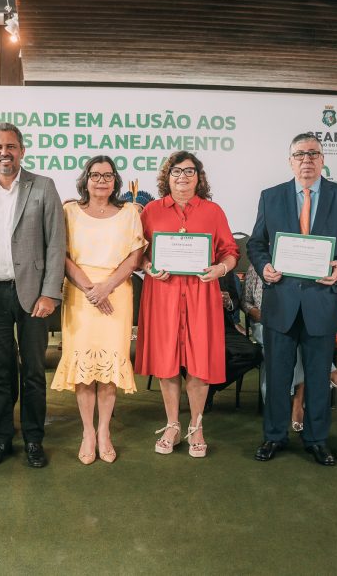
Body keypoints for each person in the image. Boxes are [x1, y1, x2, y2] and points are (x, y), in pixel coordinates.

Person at [248, 132, 337, 466]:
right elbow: (256, 243)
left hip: (322, 302)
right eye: (299, 155)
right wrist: (264, 266)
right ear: (290, 161)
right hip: (281, 302)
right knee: (278, 376)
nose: (306, 161)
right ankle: (274, 436)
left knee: (317, 377)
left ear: (323, 159)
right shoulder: (271, 197)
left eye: (313, 154)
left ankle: (316, 439)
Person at [0, 122, 65, 469]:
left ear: (22, 150)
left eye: (11, 146)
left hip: (35, 295)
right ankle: (1, 438)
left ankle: (34, 439)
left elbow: (56, 244)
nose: (4, 153)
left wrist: (51, 292)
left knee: (34, 371)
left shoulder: (44, 186)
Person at [136, 151, 238, 458]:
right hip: (163, 295)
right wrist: (148, 266)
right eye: (176, 171)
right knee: (167, 363)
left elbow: (230, 252)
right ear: (167, 177)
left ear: (199, 176)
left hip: (200, 295)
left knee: (199, 363)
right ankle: (172, 425)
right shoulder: (151, 210)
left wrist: (220, 270)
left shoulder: (212, 211)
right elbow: (138, 253)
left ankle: (196, 426)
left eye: (189, 171)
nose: (183, 177)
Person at [50, 156, 145, 464]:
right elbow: (60, 255)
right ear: (85, 180)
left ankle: (104, 431)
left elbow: (134, 256)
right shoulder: (69, 212)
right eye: (95, 175)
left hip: (116, 294)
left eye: (107, 175)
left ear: (116, 181)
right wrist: (91, 288)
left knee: (108, 371)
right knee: (84, 370)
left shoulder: (130, 213)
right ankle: (87, 433)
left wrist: (107, 287)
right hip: (80, 295)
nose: (101, 180)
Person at [203, 269, 264, 412]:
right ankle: (202, 389)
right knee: (179, 352)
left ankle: (210, 386)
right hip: (188, 327)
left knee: (253, 353)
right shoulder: (183, 265)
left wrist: (228, 301)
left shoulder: (223, 267)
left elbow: (236, 301)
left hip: (222, 326)